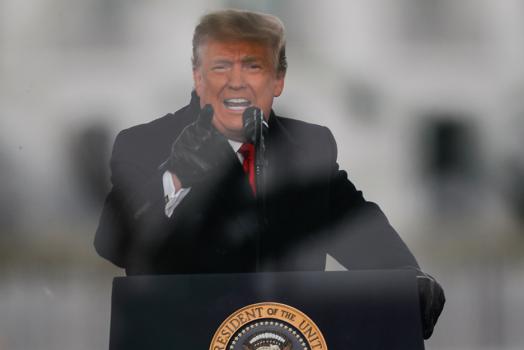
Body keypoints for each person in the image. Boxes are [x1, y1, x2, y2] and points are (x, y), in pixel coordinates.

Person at [94, 9, 444, 338]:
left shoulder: (309, 146)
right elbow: (114, 243)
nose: (236, 82)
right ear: (198, 78)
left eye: (253, 66)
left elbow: (355, 228)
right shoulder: (145, 142)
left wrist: (407, 281)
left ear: (278, 80)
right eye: (220, 66)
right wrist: (175, 176)